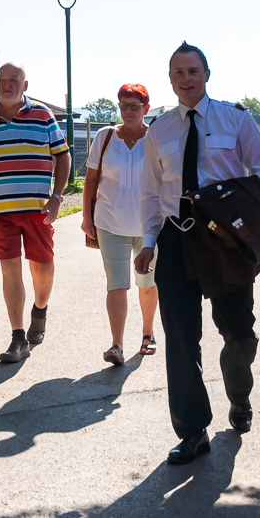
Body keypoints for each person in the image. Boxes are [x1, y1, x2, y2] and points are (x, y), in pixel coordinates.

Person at [135, 42, 260, 465]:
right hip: (176, 237)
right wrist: (148, 242)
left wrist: (227, 200)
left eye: (193, 71)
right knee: (181, 339)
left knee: (239, 334)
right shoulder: (159, 130)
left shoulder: (236, 119)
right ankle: (192, 430)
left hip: (223, 240)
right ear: (170, 79)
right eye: (178, 72)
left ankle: (239, 396)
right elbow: (150, 193)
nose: (186, 79)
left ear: (207, 75)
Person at [0, 63, 72, 364]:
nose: (7, 84)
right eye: (2, 80)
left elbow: (63, 156)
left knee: (43, 268)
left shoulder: (43, 115)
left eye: (14, 80)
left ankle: (40, 309)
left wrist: (57, 197)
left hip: (38, 210)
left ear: (25, 85)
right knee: (10, 270)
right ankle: (18, 337)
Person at [81, 84, 160, 367]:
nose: (128, 111)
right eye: (123, 105)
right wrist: (87, 217)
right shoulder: (105, 137)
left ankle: (148, 334)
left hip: (148, 227)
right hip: (109, 223)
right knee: (116, 284)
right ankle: (117, 345)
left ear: (146, 109)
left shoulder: (156, 139)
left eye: (134, 106)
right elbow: (91, 179)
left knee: (147, 283)